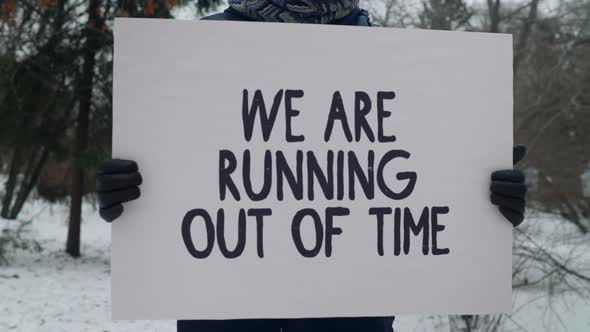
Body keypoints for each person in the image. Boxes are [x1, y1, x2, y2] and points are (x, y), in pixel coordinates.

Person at [97, 1, 528, 331]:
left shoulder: (399, 57)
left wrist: (483, 195)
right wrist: (127, 193)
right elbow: (177, 171)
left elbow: (418, 182)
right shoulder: (190, 51)